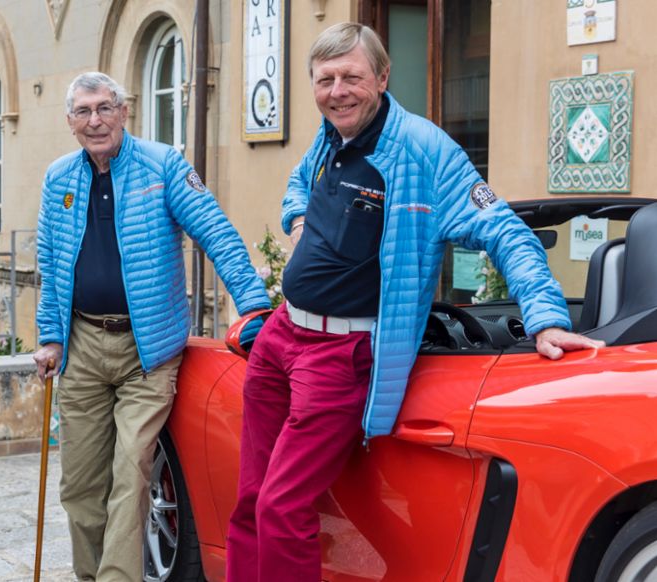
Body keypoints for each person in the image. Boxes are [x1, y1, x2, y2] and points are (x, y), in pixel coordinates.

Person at [225, 22, 606, 581]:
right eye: (325, 79)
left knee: (281, 506)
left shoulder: (424, 151)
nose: (337, 91)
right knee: (250, 500)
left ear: (382, 77)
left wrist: (546, 317)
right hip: (283, 333)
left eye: (351, 77)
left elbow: (507, 231)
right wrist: (297, 216)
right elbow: (299, 182)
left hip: (338, 353)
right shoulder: (330, 136)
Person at [33, 71, 270, 582]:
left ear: (124, 111)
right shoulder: (58, 178)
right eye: (83, 112)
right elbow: (50, 264)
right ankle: (90, 575)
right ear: (70, 122)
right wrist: (50, 337)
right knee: (79, 485)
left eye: (104, 108)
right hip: (82, 345)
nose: (95, 120)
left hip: (148, 352)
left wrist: (254, 305)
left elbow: (218, 234)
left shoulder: (163, 166)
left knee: (130, 475)